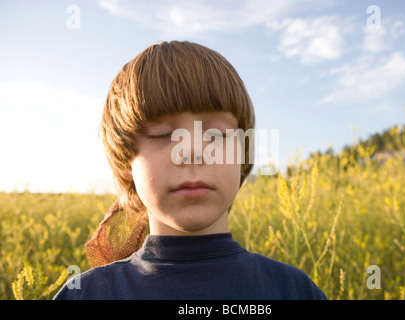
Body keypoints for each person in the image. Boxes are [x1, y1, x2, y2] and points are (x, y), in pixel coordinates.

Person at [54, 41, 326, 300]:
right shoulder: (87, 293)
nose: (193, 150)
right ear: (126, 162)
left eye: (218, 133)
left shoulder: (294, 290)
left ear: (241, 156)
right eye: (163, 134)